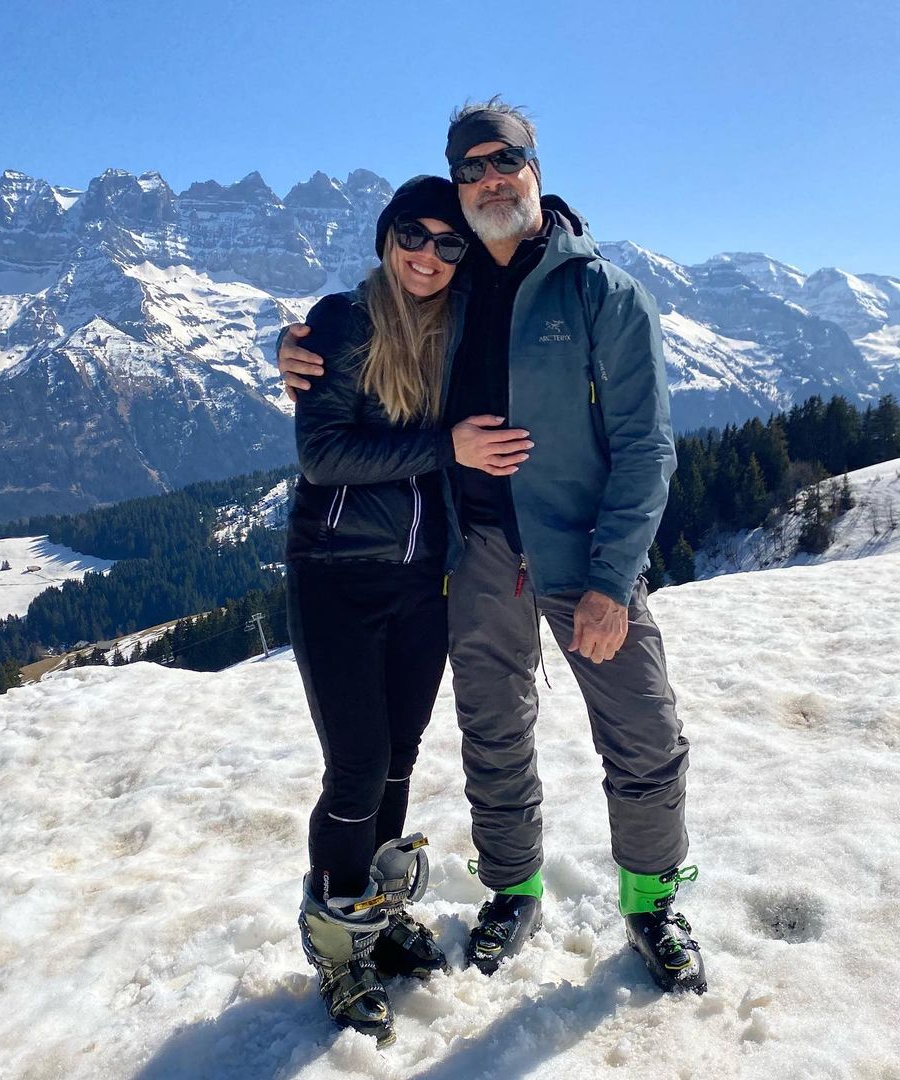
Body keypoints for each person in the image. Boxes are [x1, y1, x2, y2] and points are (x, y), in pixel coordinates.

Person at [279, 99, 706, 995]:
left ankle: (653, 902)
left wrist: (612, 582)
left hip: (586, 557)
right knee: (492, 732)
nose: (486, 181)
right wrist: (296, 349)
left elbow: (647, 448)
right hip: (476, 551)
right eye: (468, 169)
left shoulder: (604, 294)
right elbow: (375, 321)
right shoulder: (456, 286)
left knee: (643, 732)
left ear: (533, 163)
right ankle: (513, 890)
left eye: (500, 160)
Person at [288, 176, 478, 1047]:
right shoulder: (344, 321)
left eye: (449, 241)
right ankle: (338, 947)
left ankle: (374, 907)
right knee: (358, 765)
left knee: (398, 759)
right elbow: (323, 456)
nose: (430, 254)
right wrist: (443, 445)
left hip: (422, 580)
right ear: (386, 236)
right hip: (335, 574)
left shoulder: (464, 325)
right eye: (415, 233)